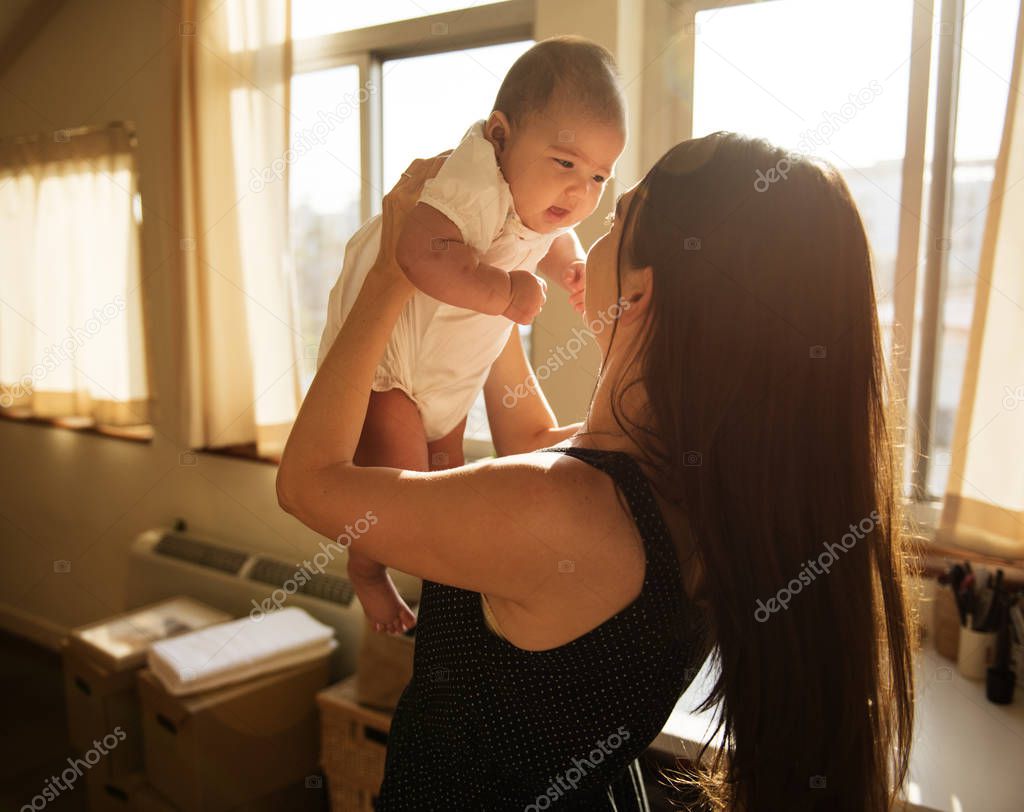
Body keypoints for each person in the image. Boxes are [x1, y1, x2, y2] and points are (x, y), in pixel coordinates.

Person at [278, 130, 916, 810]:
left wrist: (391, 272)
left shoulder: (558, 510)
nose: (590, 229)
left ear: (639, 294)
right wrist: (486, 276)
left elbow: (308, 483)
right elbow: (527, 436)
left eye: (616, 217)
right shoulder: (687, 486)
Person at [315, 36, 627, 633]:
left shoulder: (535, 200)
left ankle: (443, 611)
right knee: (397, 493)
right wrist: (505, 293)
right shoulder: (474, 180)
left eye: (598, 177)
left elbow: (553, 238)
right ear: (502, 136)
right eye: (565, 163)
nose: (578, 192)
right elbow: (418, 251)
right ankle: (366, 569)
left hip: (449, 372)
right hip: (395, 367)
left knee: (446, 481)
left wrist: (569, 268)